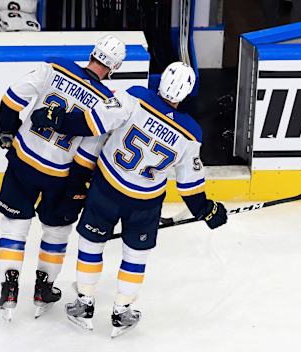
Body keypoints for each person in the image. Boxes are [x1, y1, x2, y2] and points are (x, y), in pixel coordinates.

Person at [31, 62, 228, 337]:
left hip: (107, 189)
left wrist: (57, 120)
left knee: (91, 243)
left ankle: (84, 303)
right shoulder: (191, 132)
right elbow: (189, 184)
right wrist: (206, 210)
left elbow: (93, 122)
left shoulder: (134, 97)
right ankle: (122, 310)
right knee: (136, 255)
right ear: (188, 92)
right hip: (145, 202)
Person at [0, 34, 126, 321]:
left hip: (23, 162)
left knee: (14, 226)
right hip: (59, 175)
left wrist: (6, 129)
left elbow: (12, 96)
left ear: (93, 53)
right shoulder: (107, 103)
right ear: (115, 66)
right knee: (55, 232)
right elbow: (86, 155)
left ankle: (10, 286)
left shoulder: (54, 68)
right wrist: (77, 189)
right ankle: (44, 288)